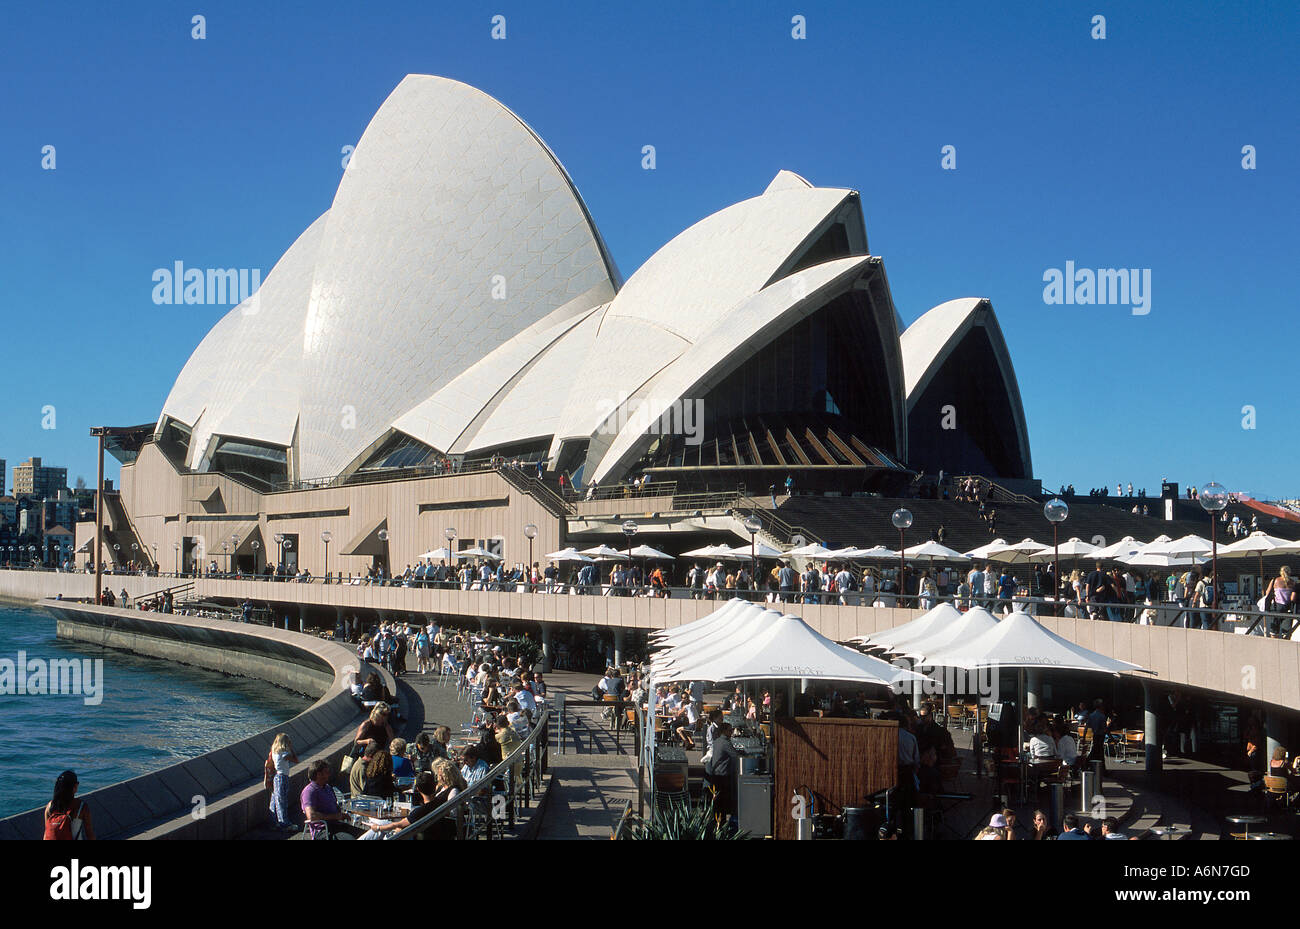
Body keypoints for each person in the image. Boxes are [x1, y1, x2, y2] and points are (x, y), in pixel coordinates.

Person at [301, 760, 353, 839]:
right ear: (319, 774)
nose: (329, 774)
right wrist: (335, 816)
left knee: (367, 834)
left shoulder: (327, 787)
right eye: (327, 772)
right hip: (323, 830)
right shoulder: (309, 791)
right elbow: (311, 816)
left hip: (336, 825)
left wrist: (342, 814)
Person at [44, 770, 95, 840]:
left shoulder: (50, 806)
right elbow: (89, 834)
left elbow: (47, 833)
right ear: (75, 787)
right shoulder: (81, 807)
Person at [266, 732, 299, 831]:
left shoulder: (275, 752)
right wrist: (291, 748)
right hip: (282, 778)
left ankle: (273, 821)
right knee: (282, 801)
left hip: (276, 777)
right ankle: (284, 824)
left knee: (275, 800)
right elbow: (296, 760)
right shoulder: (285, 754)